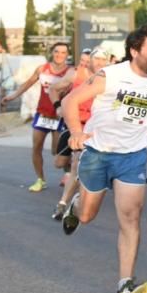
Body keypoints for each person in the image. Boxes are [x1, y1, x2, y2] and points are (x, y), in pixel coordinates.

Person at [59, 25, 147, 293]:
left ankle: (124, 285)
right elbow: (69, 100)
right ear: (135, 51)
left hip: (132, 156)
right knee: (87, 215)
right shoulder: (110, 75)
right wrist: (75, 131)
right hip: (97, 152)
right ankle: (75, 205)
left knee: (131, 218)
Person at [3, 42, 75, 192]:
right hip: (42, 114)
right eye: (57, 51)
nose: (59, 55)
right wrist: (13, 96)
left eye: (63, 52)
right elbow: (28, 83)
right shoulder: (42, 69)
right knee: (36, 147)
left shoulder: (70, 72)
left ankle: (68, 173)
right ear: (52, 52)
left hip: (58, 116)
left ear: (67, 55)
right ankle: (40, 179)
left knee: (57, 150)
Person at [51, 48, 112, 220]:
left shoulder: (110, 79)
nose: (99, 63)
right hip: (73, 125)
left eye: (103, 59)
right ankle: (75, 179)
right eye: (96, 59)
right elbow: (53, 89)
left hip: (92, 129)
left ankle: (62, 204)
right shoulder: (76, 74)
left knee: (76, 165)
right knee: (59, 162)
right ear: (90, 60)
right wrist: (57, 107)